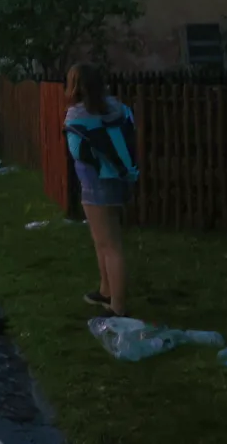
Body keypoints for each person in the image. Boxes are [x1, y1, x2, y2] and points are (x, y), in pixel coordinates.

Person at [64, 63, 138, 317]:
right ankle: (105, 289)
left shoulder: (77, 114)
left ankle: (117, 305)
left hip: (95, 181)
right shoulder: (117, 107)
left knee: (110, 244)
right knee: (102, 240)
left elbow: (77, 151)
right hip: (119, 177)